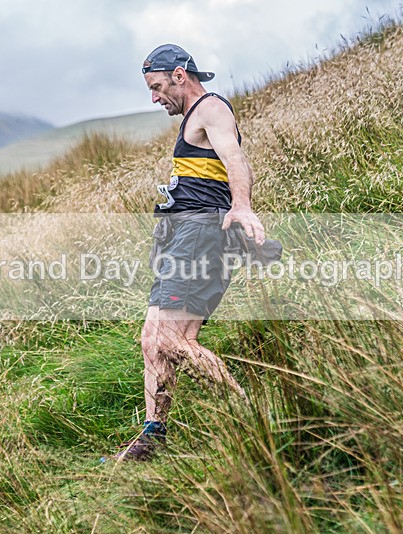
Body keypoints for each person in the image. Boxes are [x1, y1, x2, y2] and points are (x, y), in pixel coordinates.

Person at [112, 44, 265, 462]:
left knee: (170, 338)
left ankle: (252, 417)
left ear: (180, 75)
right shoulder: (195, 119)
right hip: (184, 238)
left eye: (158, 87)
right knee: (152, 340)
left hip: (201, 236)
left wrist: (242, 205)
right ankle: (151, 439)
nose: (155, 97)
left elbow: (236, 158)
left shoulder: (211, 109)